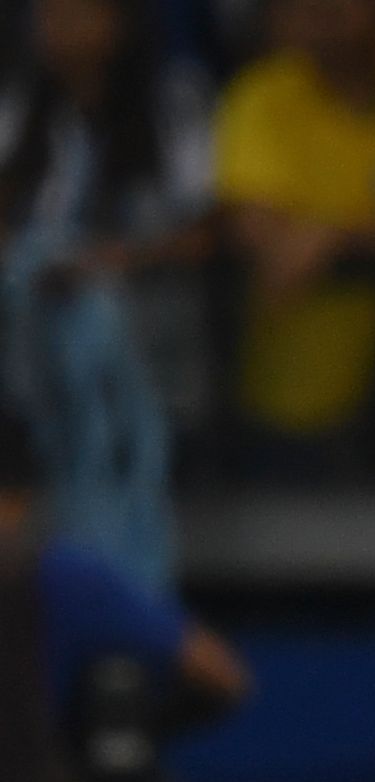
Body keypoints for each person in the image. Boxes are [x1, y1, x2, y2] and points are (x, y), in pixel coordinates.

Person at [0, 0, 215, 588]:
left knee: (100, 322)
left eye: (79, 13)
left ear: (118, 23)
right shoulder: (20, 107)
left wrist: (118, 261)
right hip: (37, 354)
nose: (62, 28)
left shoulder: (173, 102)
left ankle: (138, 579)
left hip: (149, 340)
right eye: (49, 15)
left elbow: (207, 234)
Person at [0, 409, 249, 782]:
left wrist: (119, 739)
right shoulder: (65, 576)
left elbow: (222, 676)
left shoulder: (62, 579)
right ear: (25, 498)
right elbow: (221, 677)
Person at [212, 0, 375, 462]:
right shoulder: (265, 94)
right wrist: (371, 232)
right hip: (286, 400)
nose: (325, 10)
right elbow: (253, 225)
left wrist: (334, 234)